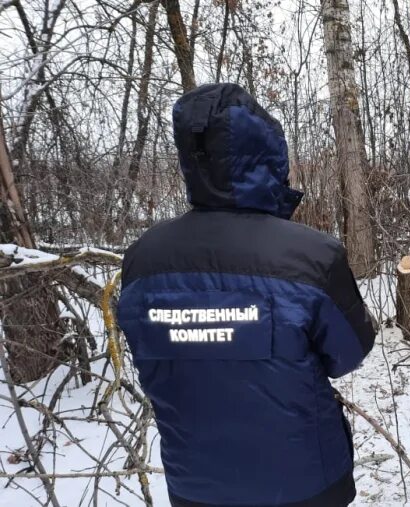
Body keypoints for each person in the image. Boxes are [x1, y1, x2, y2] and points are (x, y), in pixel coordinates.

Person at [116, 83, 376, 507]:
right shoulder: (311, 256)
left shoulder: (142, 259)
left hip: (196, 486)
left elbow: (152, 355)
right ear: (270, 157)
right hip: (306, 484)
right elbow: (348, 354)